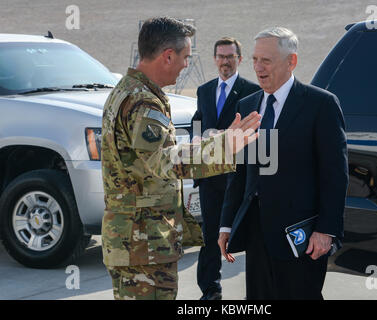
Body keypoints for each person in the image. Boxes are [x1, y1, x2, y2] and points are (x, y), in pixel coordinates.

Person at [101, 17, 261, 300]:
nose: (187, 64)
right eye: (186, 57)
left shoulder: (128, 90)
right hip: (143, 245)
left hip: (135, 240)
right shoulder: (141, 100)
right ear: (168, 56)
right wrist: (225, 145)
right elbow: (163, 161)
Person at [218, 27, 348, 300]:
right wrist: (227, 224)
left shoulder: (320, 104)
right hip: (257, 233)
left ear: (291, 61)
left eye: (266, 60)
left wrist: (326, 230)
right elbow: (239, 172)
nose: (258, 67)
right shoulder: (248, 104)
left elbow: (335, 174)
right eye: (254, 59)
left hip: (301, 235)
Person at [191, 37, 260, 300]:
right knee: (209, 237)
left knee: (245, 235)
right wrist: (197, 145)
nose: (225, 61)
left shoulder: (252, 91)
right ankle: (210, 291)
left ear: (239, 59)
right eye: (220, 56)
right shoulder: (204, 90)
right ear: (214, 59)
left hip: (237, 177)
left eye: (230, 56)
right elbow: (199, 122)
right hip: (210, 178)